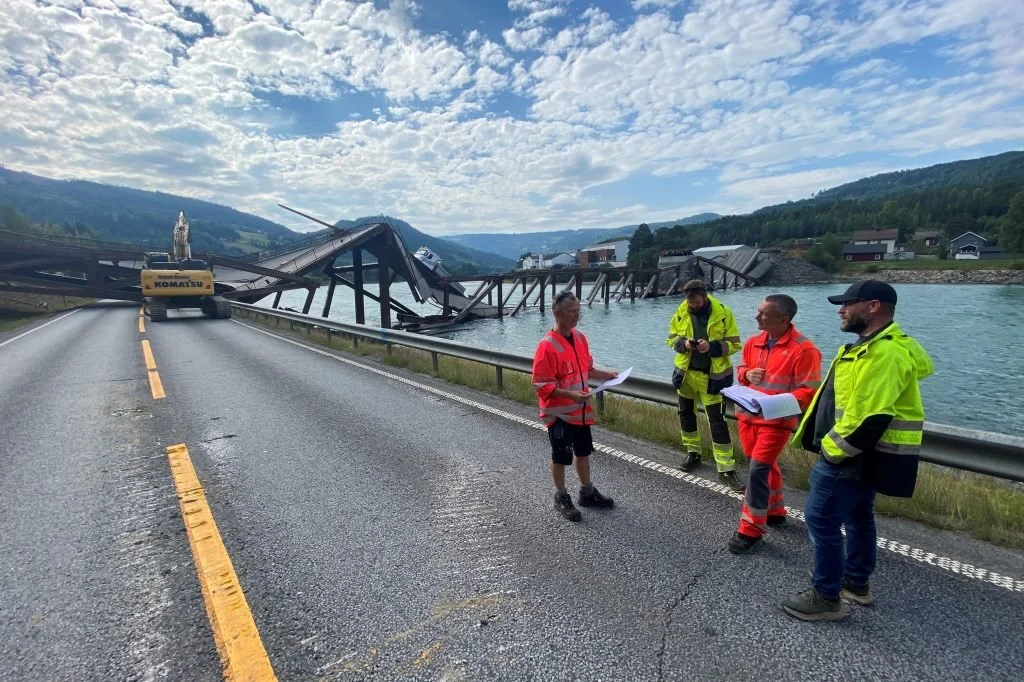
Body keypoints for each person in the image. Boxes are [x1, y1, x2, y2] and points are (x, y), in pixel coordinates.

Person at [780, 281, 933, 621]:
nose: (841, 309)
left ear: (874, 306)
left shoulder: (884, 354)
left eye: (848, 303)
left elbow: (870, 416)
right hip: (866, 455)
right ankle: (855, 583)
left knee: (821, 519)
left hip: (851, 455)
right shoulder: (868, 347)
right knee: (858, 515)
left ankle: (825, 597)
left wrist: (832, 453)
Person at [728, 294, 821, 554]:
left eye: (763, 314)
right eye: (758, 312)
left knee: (757, 469)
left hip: (775, 421)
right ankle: (776, 510)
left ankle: (751, 528)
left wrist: (774, 405)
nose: (757, 317)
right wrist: (746, 374)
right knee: (762, 465)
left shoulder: (805, 350)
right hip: (747, 417)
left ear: (783, 319)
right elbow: (741, 370)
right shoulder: (753, 342)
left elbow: (808, 392)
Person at [532, 291, 620, 522]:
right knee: (561, 456)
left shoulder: (580, 338)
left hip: (580, 412)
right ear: (557, 313)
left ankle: (587, 492)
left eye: (578, 311)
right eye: (571, 312)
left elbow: (587, 369)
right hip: (559, 413)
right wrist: (571, 394)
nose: (576, 316)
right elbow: (541, 385)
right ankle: (561, 496)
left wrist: (607, 375)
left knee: (583, 452)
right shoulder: (547, 346)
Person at [665, 279, 744, 491]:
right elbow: (671, 338)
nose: (693, 305)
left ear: (705, 295)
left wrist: (713, 347)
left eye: (697, 302)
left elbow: (736, 344)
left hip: (712, 376)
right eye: (690, 302)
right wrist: (685, 344)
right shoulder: (681, 310)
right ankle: (693, 453)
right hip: (686, 374)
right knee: (686, 414)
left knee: (717, 421)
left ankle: (726, 469)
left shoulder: (723, 313)